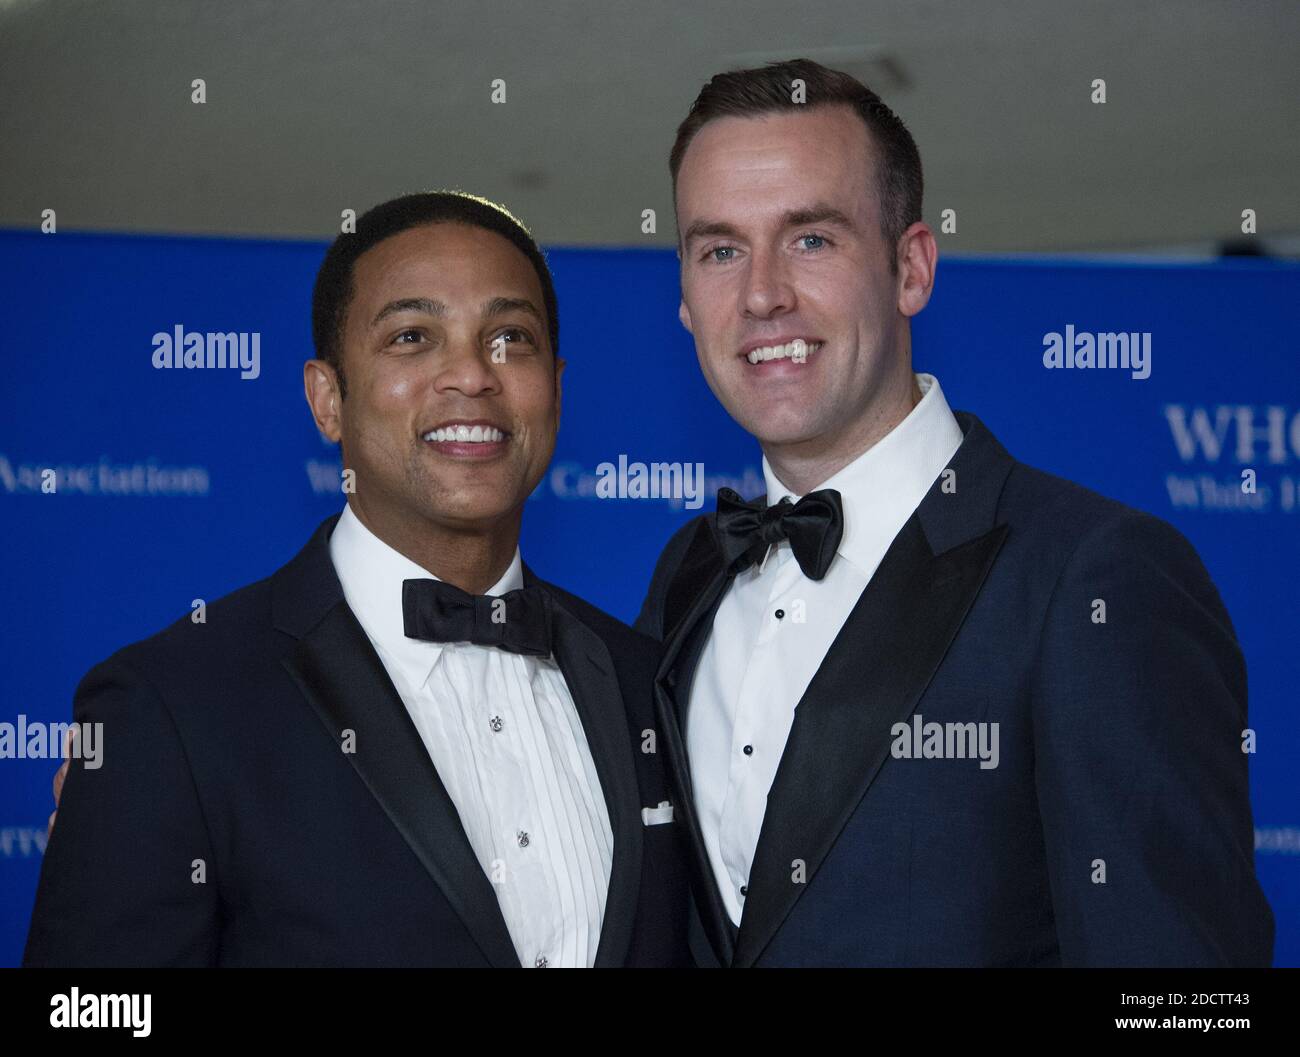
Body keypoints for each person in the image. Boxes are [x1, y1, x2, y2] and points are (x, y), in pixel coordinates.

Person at [636, 59, 1274, 967]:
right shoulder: (686, 573)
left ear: (911, 268)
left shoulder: (1093, 575)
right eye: (720, 249)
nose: (762, 293)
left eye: (811, 239)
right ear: (688, 301)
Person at [26, 191, 690, 968]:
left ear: (557, 386)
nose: (473, 374)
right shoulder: (170, 708)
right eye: (413, 336)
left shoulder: (650, 682)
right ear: (327, 398)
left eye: (511, 337)